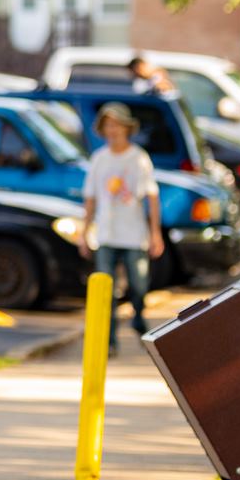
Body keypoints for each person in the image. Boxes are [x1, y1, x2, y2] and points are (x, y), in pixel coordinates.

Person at [79, 102, 165, 354]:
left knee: (138, 284)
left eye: (116, 125)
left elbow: (151, 196)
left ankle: (138, 316)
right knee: (105, 288)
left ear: (126, 128)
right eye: (108, 125)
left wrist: (155, 232)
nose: (112, 130)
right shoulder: (99, 159)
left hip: (133, 233)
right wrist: (84, 233)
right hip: (106, 232)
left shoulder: (138, 158)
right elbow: (91, 198)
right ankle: (110, 341)